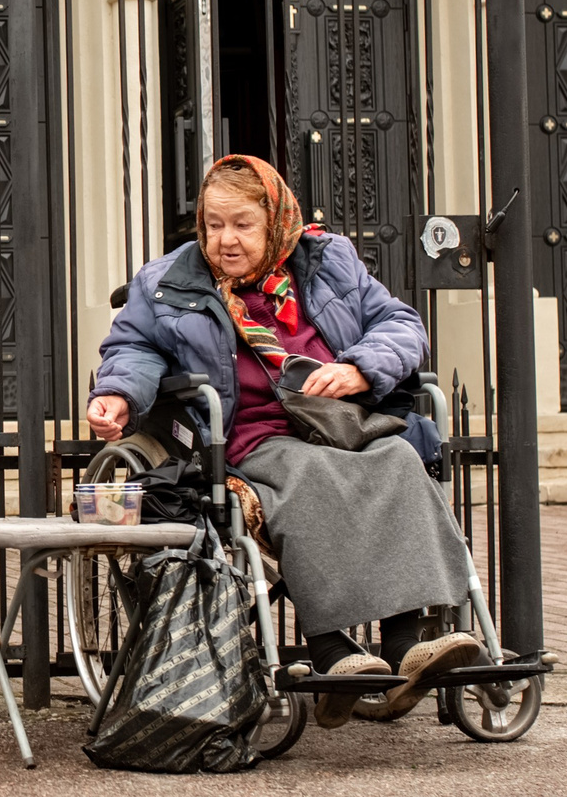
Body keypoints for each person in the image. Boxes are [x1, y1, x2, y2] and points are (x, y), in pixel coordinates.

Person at [90, 154, 481, 727]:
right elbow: (133, 347)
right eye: (213, 223)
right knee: (307, 476)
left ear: (273, 220)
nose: (225, 239)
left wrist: (359, 369)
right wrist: (119, 393)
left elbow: (401, 325)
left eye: (242, 224)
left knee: (397, 458)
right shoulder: (166, 282)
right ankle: (332, 651)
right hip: (252, 432)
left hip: (338, 420)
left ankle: (406, 645)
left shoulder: (328, 262)